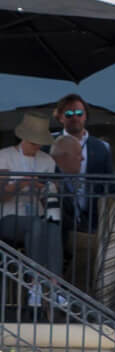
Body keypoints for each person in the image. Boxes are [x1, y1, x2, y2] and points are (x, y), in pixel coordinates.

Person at [0, 112, 63, 279]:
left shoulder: (47, 160)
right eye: (34, 142)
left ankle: (53, 284)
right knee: (38, 224)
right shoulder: (4, 156)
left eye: (40, 142)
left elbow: (48, 193)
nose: (37, 146)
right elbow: (1, 195)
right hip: (8, 216)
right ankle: (36, 282)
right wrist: (24, 183)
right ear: (24, 138)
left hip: (38, 214)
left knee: (52, 226)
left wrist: (45, 187)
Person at [49, 134, 98, 293]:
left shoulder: (70, 179)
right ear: (63, 157)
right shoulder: (51, 175)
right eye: (78, 154)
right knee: (93, 245)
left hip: (74, 229)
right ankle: (73, 293)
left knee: (101, 241)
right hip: (58, 234)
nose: (82, 159)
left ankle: (74, 293)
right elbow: (59, 215)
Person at [53, 93, 113, 180]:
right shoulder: (48, 144)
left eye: (79, 113)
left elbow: (110, 185)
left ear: (85, 116)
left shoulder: (102, 147)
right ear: (60, 117)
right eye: (69, 114)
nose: (75, 118)